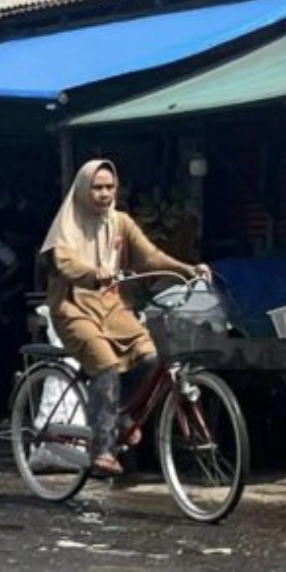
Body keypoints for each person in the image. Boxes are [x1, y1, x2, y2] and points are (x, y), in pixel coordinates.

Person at [40, 159, 207, 477]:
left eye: (109, 187)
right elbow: (66, 263)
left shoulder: (121, 222)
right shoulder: (68, 224)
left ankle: (122, 418)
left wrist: (187, 269)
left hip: (111, 306)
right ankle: (102, 449)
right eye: (97, 187)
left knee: (150, 356)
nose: (104, 193)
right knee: (104, 363)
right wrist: (93, 273)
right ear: (83, 189)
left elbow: (150, 257)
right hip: (73, 308)